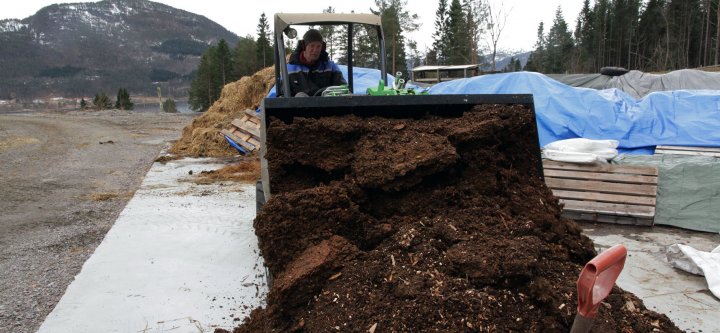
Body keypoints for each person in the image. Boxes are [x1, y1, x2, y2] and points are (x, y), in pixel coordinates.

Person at [287, 29, 347, 97]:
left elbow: (343, 88)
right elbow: (282, 96)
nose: (315, 50)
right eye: (312, 46)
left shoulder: (330, 67)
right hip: (299, 106)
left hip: (327, 105)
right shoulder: (290, 69)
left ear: (322, 48)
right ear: (304, 46)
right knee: (300, 96)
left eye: (318, 46)